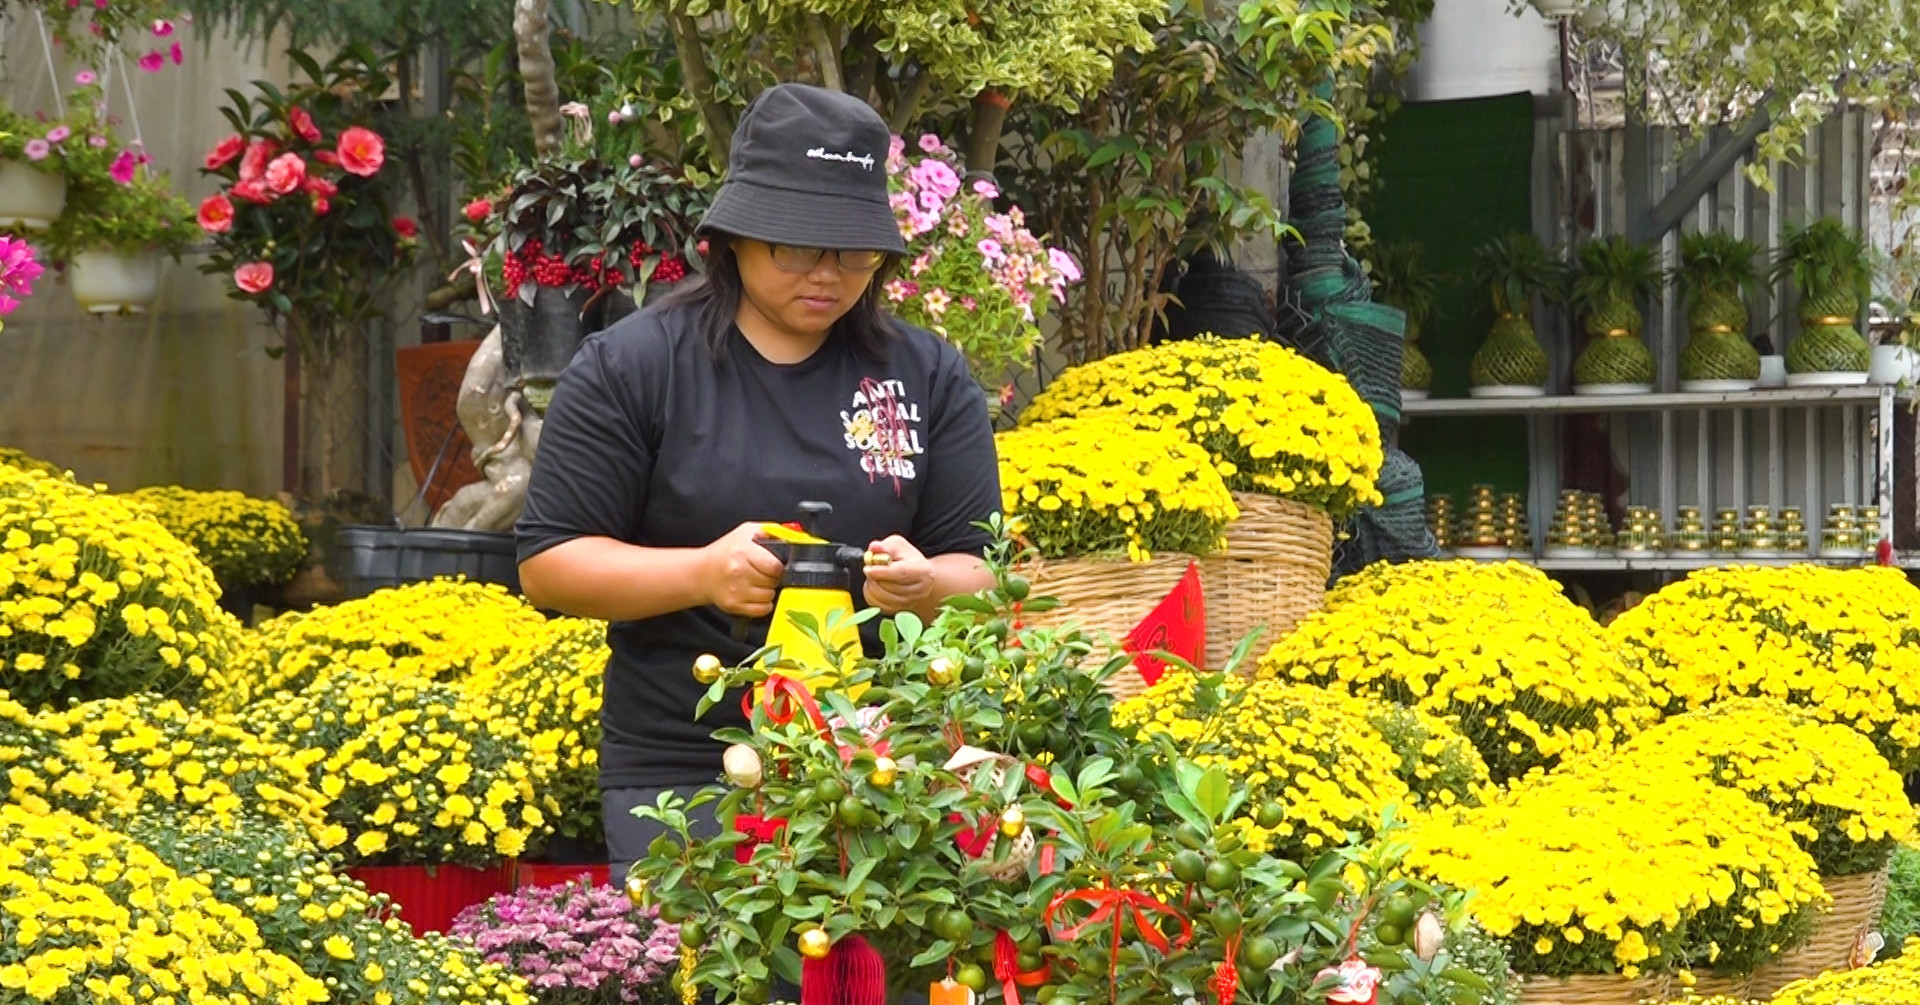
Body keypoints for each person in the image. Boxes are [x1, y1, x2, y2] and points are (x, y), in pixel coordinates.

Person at [514, 83, 1002, 886]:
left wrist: (923, 585)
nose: (829, 274)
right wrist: (702, 572)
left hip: (887, 771)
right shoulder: (635, 365)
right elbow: (549, 564)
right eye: (799, 246)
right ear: (734, 238)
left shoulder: (925, 375)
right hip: (687, 766)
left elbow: (983, 570)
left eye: (853, 251)